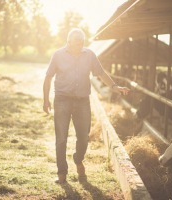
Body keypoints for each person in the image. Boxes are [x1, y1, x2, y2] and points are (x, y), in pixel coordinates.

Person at [43, 28, 130, 184]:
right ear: (68, 42)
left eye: (82, 41)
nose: (80, 44)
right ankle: (62, 173)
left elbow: (101, 73)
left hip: (82, 101)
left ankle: (78, 159)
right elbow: (48, 77)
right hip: (62, 100)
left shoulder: (89, 54)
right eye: (77, 41)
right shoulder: (58, 55)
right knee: (61, 138)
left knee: (84, 137)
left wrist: (115, 87)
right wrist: (45, 100)